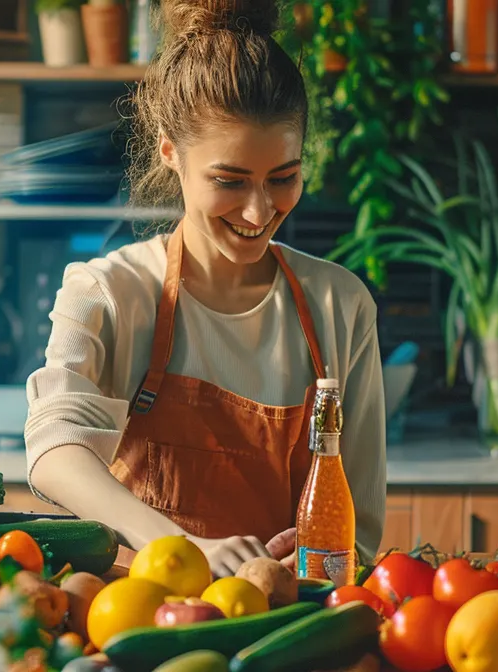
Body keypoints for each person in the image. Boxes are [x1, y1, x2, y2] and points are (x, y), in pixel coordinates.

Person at [22, 0, 386, 577]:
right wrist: (182, 547)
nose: (260, 210)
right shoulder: (110, 292)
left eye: (283, 178)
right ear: (171, 153)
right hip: (137, 617)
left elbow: (357, 532)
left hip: (280, 627)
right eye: (229, 180)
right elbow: (53, 451)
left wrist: (311, 564)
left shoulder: (339, 306)